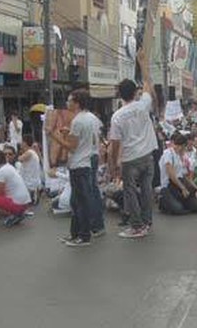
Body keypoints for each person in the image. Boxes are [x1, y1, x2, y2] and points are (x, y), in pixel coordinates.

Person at [109, 59, 158, 239]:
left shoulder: (117, 116)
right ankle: (147, 221)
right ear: (135, 92)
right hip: (148, 155)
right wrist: (143, 62)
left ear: (120, 95)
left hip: (130, 158)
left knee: (130, 192)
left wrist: (114, 163)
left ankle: (137, 226)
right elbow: (147, 83)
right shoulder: (143, 104)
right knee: (146, 190)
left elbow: (115, 143)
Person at [46, 89, 98, 247]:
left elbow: (71, 147)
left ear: (77, 103)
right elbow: (91, 140)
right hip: (85, 163)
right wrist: (68, 133)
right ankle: (77, 234)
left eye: (69, 100)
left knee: (80, 202)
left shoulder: (78, 121)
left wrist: (53, 135)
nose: (67, 103)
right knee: (78, 201)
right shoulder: (90, 118)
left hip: (78, 165)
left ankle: (83, 236)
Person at [158, 134, 197, 215]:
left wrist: (195, 187)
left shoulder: (179, 156)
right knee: (178, 210)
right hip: (168, 186)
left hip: (179, 183)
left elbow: (184, 175)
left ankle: (180, 202)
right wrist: (183, 188)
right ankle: (163, 201)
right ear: (182, 146)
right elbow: (171, 174)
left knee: (196, 207)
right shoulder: (168, 153)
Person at [18, 134, 42, 205]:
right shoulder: (32, 152)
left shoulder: (29, 153)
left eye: (22, 142)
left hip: (30, 182)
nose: (20, 143)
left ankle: (32, 194)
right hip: (32, 180)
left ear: (25, 143)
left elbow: (19, 159)